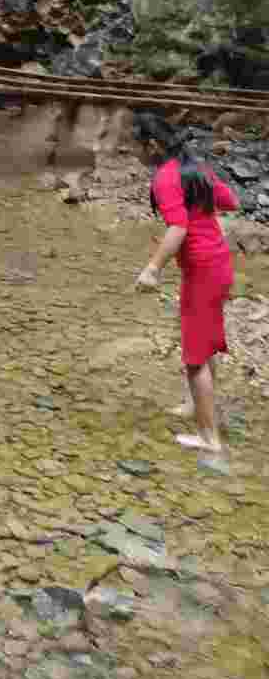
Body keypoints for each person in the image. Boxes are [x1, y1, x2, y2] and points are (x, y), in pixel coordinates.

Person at [132, 112, 240, 452]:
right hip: (218, 264)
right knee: (205, 341)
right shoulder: (195, 168)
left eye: (136, 147)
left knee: (195, 357)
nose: (135, 153)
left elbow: (177, 226)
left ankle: (209, 439)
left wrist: (152, 268)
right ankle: (198, 405)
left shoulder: (166, 178)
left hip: (203, 271)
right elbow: (230, 201)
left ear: (151, 146)